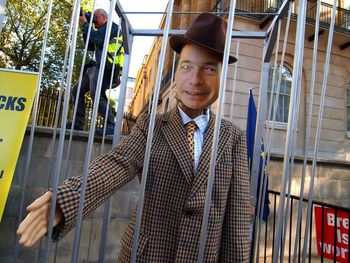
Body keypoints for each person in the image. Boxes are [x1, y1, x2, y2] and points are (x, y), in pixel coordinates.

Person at [17, 13, 251, 261]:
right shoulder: (152, 126)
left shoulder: (232, 138)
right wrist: (65, 201)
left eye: (209, 68)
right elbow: (116, 163)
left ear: (221, 75)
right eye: (186, 66)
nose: (195, 79)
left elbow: (236, 221)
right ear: (177, 71)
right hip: (147, 255)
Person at [67, 8, 123, 135]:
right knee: (77, 90)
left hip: (108, 68)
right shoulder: (100, 30)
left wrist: (86, 24)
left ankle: (111, 125)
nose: (94, 21)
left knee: (96, 93)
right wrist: (84, 25)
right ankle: (77, 123)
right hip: (96, 66)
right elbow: (90, 45)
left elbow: (98, 39)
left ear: (105, 18)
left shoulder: (113, 27)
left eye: (96, 18)